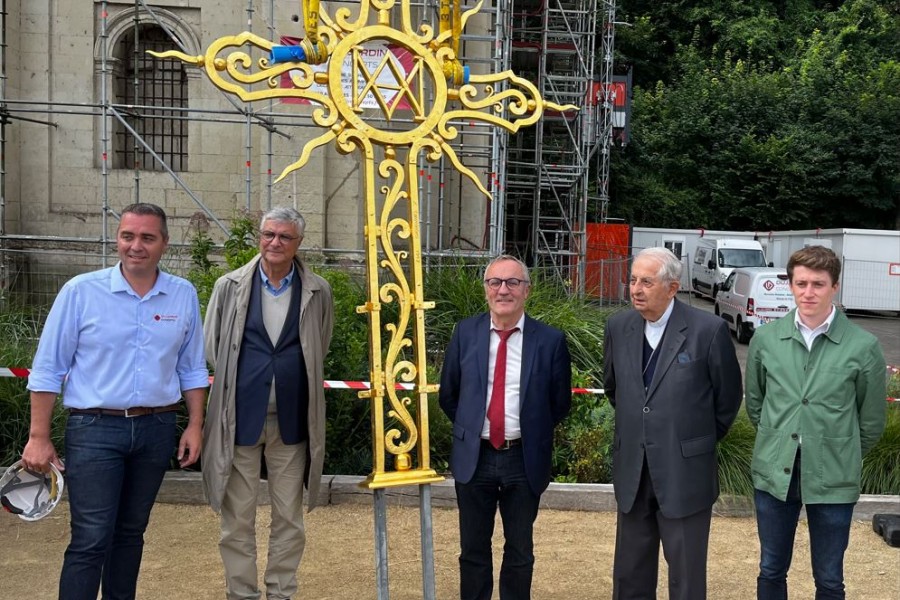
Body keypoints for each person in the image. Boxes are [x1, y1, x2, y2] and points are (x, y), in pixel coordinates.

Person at [22, 202, 209, 600]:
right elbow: (48, 368)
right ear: (117, 239)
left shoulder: (182, 295)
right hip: (94, 430)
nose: (135, 246)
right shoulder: (80, 292)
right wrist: (38, 436)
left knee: (130, 534)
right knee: (91, 538)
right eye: (127, 236)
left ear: (164, 244)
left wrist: (195, 424)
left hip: (156, 430)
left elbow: (192, 368)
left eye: (147, 237)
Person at [203, 206, 334, 600]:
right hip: (239, 420)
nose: (274, 243)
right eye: (268, 235)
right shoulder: (229, 286)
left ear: (298, 244)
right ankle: (241, 593)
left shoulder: (318, 290)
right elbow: (213, 349)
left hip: (293, 422)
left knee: (289, 519)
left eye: (284, 237)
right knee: (237, 519)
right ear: (260, 237)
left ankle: (281, 592)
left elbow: (318, 345)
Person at [745, 246, 886, 599]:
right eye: (801, 283)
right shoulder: (766, 339)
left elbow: (870, 421)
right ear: (790, 285)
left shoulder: (863, 346)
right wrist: (781, 438)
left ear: (834, 286)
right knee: (771, 568)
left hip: (834, 473)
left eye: (818, 284)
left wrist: (838, 447)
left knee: (829, 577)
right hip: (776, 469)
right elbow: (757, 405)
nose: (808, 292)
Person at [603, 246, 742, 600]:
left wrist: (689, 441)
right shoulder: (618, 327)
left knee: (686, 576)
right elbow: (614, 389)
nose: (635, 289)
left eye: (646, 282)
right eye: (633, 280)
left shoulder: (708, 331)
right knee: (629, 574)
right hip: (633, 469)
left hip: (685, 473)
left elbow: (726, 401)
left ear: (672, 287)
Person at [439, 254, 572, 600]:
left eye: (513, 282)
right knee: (472, 551)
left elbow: (559, 403)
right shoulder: (465, 333)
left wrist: (527, 431)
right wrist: (472, 429)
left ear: (526, 290)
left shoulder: (550, 340)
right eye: (495, 282)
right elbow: (449, 394)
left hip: (523, 459)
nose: (503, 290)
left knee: (520, 551)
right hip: (475, 457)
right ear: (485, 289)